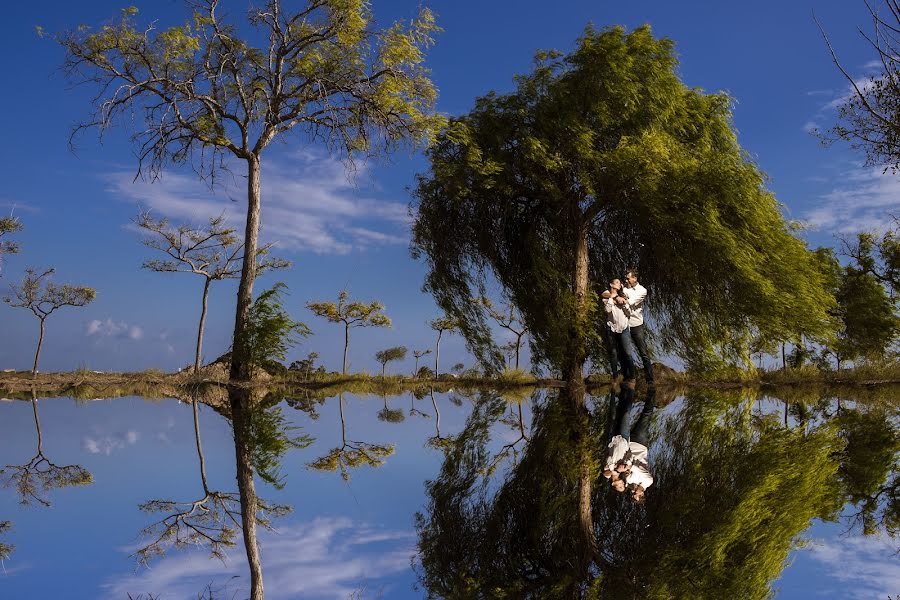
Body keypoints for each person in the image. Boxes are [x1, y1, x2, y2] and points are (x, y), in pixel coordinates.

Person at [624, 387, 656, 502]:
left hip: (627, 445)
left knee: (625, 416)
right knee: (646, 415)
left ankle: (630, 391)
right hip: (639, 443)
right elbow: (638, 468)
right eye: (635, 495)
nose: (633, 492)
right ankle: (651, 392)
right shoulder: (648, 481)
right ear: (641, 493)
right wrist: (629, 468)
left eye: (632, 494)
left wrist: (627, 474)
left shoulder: (631, 483)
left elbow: (626, 475)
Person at [622, 268, 654, 384]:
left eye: (628, 278)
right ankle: (629, 378)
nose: (626, 280)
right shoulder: (624, 288)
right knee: (626, 352)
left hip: (636, 325)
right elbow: (610, 294)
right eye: (625, 278)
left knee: (643, 353)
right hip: (625, 324)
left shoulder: (642, 290)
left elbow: (630, 302)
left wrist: (622, 298)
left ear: (635, 278)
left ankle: (650, 380)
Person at [602, 278, 635, 381]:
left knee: (627, 353)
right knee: (613, 353)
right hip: (611, 327)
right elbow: (607, 310)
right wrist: (612, 298)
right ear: (611, 284)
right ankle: (615, 377)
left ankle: (632, 377)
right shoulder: (606, 296)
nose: (619, 284)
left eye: (619, 283)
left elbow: (629, 313)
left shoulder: (624, 298)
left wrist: (624, 304)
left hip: (624, 327)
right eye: (616, 282)